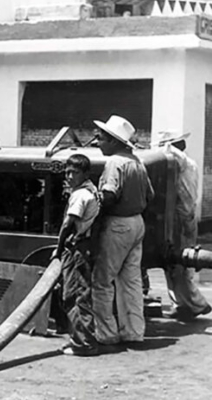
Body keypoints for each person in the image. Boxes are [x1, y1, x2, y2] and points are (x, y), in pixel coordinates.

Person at [92, 115, 155, 347]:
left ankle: (106, 334)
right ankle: (133, 332)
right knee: (131, 280)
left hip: (118, 224)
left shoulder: (114, 163)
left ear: (113, 141)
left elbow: (109, 195)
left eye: (100, 139)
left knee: (102, 280)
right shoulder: (137, 163)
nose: (97, 143)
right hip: (137, 223)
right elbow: (150, 195)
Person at [153, 131, 211, 320]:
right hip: (182, 214)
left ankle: (195, 304)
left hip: (180, 216)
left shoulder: (181, 161)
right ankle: (181, 304)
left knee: (180, 262)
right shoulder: (185, 163)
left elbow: (167, 152)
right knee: (175, 264)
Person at [52, 154, 101, 356]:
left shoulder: (80, 195)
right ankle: (77, 339)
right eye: (68, 172)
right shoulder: (92, 190)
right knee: (78, 294)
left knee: (75, 295)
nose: (70, 176)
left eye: (75, 172)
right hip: (87, 244)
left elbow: (67, 224)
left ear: (85, 173)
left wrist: (58, 247)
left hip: (78, 247)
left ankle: (85, 344)